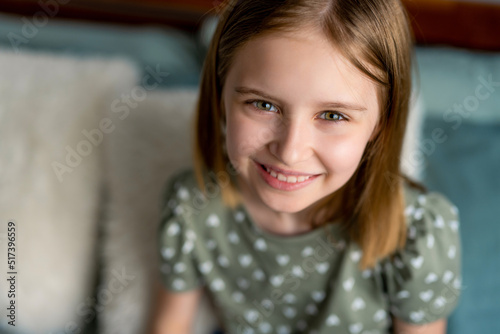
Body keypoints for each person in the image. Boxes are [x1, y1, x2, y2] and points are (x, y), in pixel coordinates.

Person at [151, 0, 462, 333]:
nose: (290, 151)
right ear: (220, 98)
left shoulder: (415, 235)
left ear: (379, 125)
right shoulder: (192, 208)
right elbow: (170, 324)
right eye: (263, 104)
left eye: (333, 116)